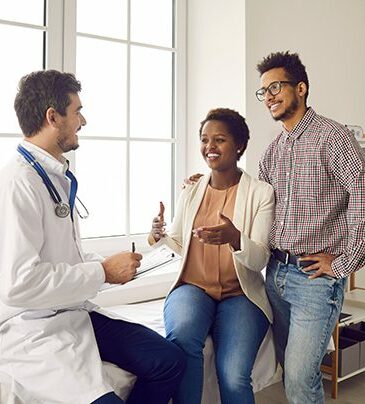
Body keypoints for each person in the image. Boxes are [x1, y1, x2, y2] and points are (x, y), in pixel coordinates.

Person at [0, 70, 185, 404]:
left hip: (72, 311)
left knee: (168, 361)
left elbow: (61, 256)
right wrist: (103, 272)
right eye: (77, 111)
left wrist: (107, 266)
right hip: (32, 325)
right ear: (52, 117)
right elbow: (19, 283)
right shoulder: (17, 183)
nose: (83, 121)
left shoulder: (54, 175)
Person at [255, 51, 365, 403]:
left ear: (301, 88)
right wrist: (206, 185)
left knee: (300, 379)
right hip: (276, 276)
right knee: (290, 370)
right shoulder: (272, 152)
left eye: (276, 87)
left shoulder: (334, 137)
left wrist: (342, 265)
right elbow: (257, 207)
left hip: (314, 281)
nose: (269, 96)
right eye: (264, 91)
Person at [148, 108, 275, 404]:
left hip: (240, 294)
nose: (210, 147)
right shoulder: (191, 190)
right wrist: (159, 233)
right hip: (193, 288)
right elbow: (181, 244)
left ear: (240, 145)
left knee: (232, 375)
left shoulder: (261, 193)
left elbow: (260, 259)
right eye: (205, 140)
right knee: (183, 342)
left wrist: (234, 239)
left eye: (219, 140)